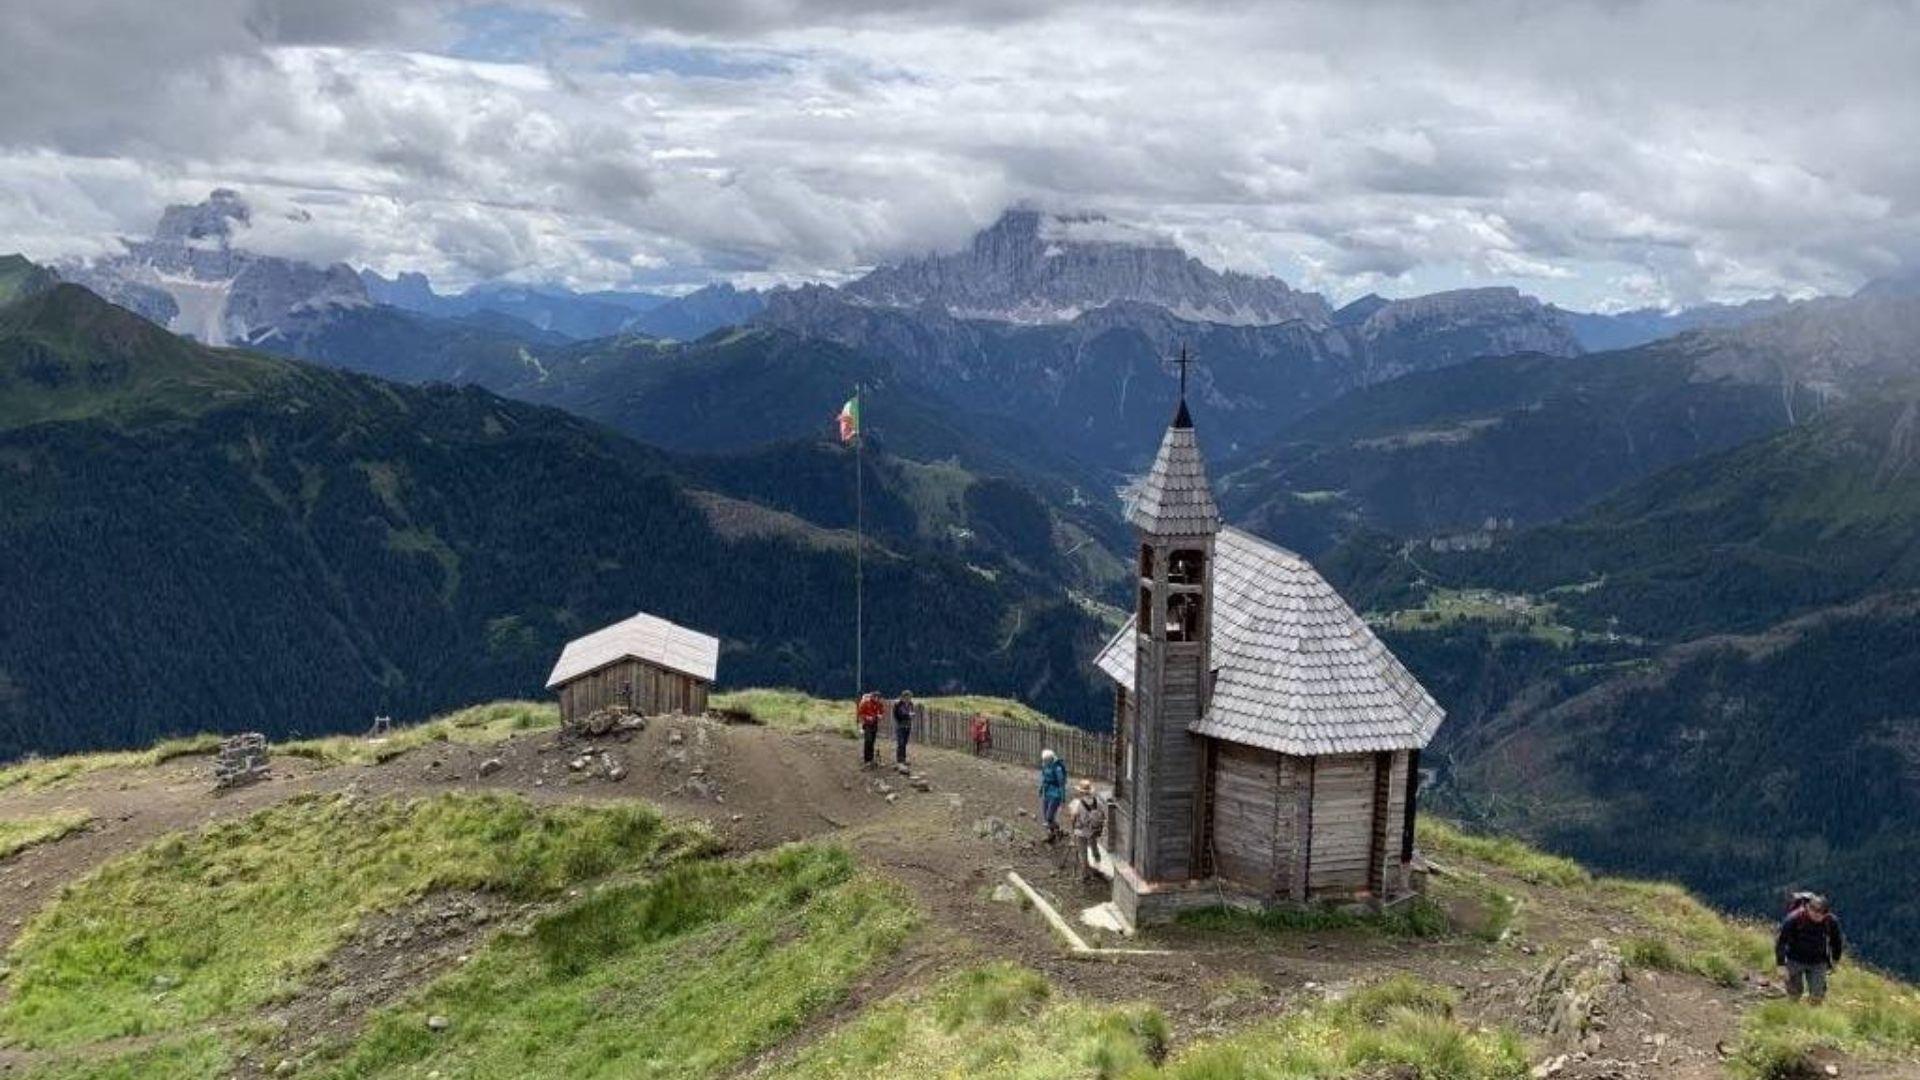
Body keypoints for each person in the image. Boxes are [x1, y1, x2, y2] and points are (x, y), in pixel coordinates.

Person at [1776, 893, 1845, 1005]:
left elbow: (1836, 941)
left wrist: (1835, 960)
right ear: (1808, 908)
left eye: (1822, 913)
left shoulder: (1830, 922)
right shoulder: (1794, 919)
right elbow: (1781, 942)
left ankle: (1813, 1013)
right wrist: (1781, 965)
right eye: (1815, 912)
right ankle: (1792, 1011)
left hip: (1818, 962)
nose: (1818, 915)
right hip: (1794, 960)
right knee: (1794, 992)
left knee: (1817, 994)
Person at [1068, 780, 1106, 882]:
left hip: (1081, 831)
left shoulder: (1078, 804)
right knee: (1094, 848)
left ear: (1081, 792)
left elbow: (1073, 818)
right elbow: (1103, 815)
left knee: (1083, 852)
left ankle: (1085, 874)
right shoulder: (1098, 801)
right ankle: (1098, 866)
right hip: (1094, 830)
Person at [1038, 749, 1067, 842]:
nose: (1044, 762)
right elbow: (1043, 777)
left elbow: (1061, 784)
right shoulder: (1045, 765)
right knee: (1045, 815)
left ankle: (1058, 829)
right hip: (1047, 792)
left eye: (1045, 760)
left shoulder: (1058, 769)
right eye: (1043, 760)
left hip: (1056, 793)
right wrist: (1041, 788)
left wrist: (1063, 797)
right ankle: (1051, 835)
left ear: (1050, 759)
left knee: (1049, 816)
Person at [855, 692, 884, 768]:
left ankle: (871, 758)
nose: (876, 699)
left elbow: (881, 711)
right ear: (872, 697)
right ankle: (867, 759)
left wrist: (880, 715)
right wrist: (866, 717)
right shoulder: (866, 703)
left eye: (878, 697)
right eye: (875, 697)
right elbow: (860, 713)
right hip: (867, 724)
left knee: (872, 741)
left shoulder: (879, 704)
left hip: (875, 724)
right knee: (868, 740)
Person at [892, 691, 916, 770]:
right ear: (903, 697)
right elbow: (899, 714)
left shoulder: (910, 704)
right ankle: (899, 760)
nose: (909, 699)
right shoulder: (898, 704)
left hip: (907, 725)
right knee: (901, 743)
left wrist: (910, 715)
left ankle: (903, 759)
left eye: (910, 697)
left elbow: (911, 712)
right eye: (907, 697)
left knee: (905, 743)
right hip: (900, 726)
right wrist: (908, 715)